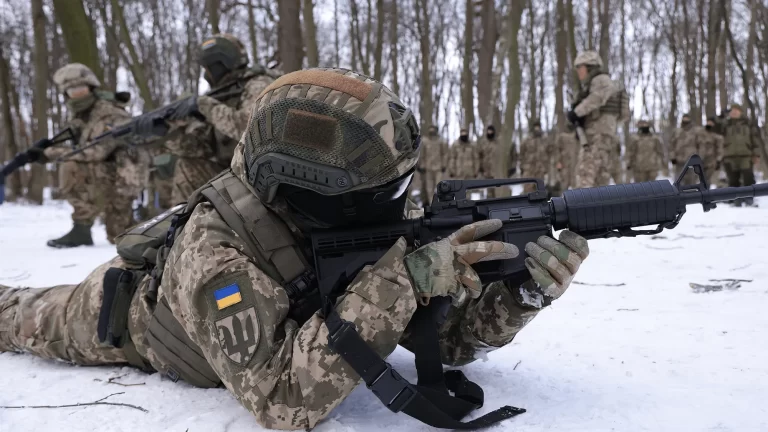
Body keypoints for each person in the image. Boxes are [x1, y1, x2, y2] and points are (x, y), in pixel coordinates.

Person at [0, 69, 589, 430]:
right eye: (387, 192)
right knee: (21, 314)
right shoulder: (214, 253)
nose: (401, 204)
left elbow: (443, 337)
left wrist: (520, 294)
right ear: (316, 191)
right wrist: (402, 281)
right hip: (131, 315)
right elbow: (283, 401)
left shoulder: (359, 208)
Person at [28, 63, 149, 248]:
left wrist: (50, 153)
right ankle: (81, 228)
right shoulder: (83, 116)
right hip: (108, 175)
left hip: (124, 180)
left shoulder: (110, 113)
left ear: (91, 88)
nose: (78, 95)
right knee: (71, 165)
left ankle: (154, 222)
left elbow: (97, 151)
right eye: (72, 91)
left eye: (81, 89)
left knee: (121, 236)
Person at [154, 34, 278, 205]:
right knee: (187, 165)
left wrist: (204, 105)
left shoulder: (258, 84)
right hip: (237, 172)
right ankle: (186, 228)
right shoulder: (222, 97)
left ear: (219, 64)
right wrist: (170, 132)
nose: (206, 75)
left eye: (207, 69)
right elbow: (202, 148)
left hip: (263, 175)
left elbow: (248, 126)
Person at [567, 51, 620, 188]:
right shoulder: (593, 84)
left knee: (584, 177)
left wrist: (576, 113)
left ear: (590, 67)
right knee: (599, 183)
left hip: (597, 138)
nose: (578, 72)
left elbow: (597, 98)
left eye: (580, 67)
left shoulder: (601, 80)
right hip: (600, 138)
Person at [721, 103, 761, 206]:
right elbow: (715, 130)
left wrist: (756, 154)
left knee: (748, 177)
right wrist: (721, 116)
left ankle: (749, 198)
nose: (734, 112)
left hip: (746, 155)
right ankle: (736, 199)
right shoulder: (725, 124)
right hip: (729, 156)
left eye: (736, 110)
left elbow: (755, 139)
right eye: (732, 110)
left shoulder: (748, 123)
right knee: (733, 179)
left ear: (741, 112)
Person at [670, 113, 706, 185]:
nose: (685, 120)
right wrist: (672, 157)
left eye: (687, 118)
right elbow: (672, 145)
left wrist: (699, 158)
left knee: (691, 183)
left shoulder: (696, 131)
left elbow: (701, 146)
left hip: (691, 161)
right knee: (678, 182)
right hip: (679, 161)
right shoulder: (677, 131)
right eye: (684, 118)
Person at [418, 124, 449, 204]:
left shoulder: (441, 141)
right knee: (429, 188)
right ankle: (432, 203)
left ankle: (440, 203)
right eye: (430, 129)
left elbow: (444, 154)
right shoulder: (424, 141)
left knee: (440, 186)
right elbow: (422, 154)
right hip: (428, 169)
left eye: (433, 129)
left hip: (438, 168)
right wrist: (421, 165)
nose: (431, 131)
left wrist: (444, 165)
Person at [520, 120, 552, 193]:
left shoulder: (545, 140)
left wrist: (547, 166)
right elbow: (521, 154)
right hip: (529, 169)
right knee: (528, 190)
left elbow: (550, 152)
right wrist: (522, 167)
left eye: (538, 127)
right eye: (535, 127)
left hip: (541, 170)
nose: (537, 129)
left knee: (540, 190)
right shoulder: (527, 140)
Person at [476, 124, 502, 197]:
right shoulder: (483, 143)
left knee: (497, 190)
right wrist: (480, 167)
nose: (490, 132)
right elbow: (479, 155)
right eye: (489, 131)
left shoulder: (498, 143)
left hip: (496, 170)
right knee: (488, 190)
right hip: (486, 171)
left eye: (491, 131)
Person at [554, 124, 580, 193]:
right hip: (564, 165)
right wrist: (558, 162)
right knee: (564, 186)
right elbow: (557, 150)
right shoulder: (562, 136)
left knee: (576, 186)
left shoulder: (578, 134)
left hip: (575, 164)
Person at [701, 116, 725, 186]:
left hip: (711, 161)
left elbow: (720, 148)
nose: (709, 124)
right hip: (701, 159)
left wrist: (718, 160)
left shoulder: (717, 136)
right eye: (708, 122)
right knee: (701, 179)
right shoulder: (702, 133)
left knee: (708, 180)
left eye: (711, 123)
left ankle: (707, 193)